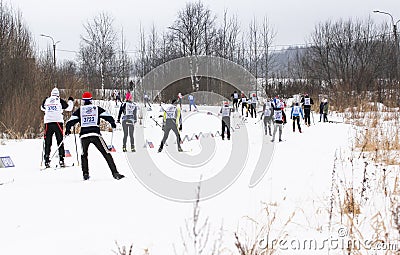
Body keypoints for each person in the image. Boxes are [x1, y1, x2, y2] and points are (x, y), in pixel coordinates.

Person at [65, 91, 124, 180]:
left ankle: (85, 174)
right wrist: (112, 123)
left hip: (84, 136)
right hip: (95, 134)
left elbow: (71, 121)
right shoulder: (96, 108)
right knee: (106, 153)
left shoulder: (80, 110)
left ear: (83, 101)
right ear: (91, 100)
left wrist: (68, 129)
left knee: (84, 155)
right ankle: (115, 173)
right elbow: (107, 116)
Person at [41, 87, 74, 168]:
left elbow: (42, 108)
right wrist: (71, 101)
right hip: (57, 122)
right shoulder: (59, 100)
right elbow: (69, 108)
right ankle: (61, 160)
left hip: (48, 123)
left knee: (47, 141)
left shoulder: (47, 100)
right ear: (58, 95)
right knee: (60, 141)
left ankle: (46, 160)